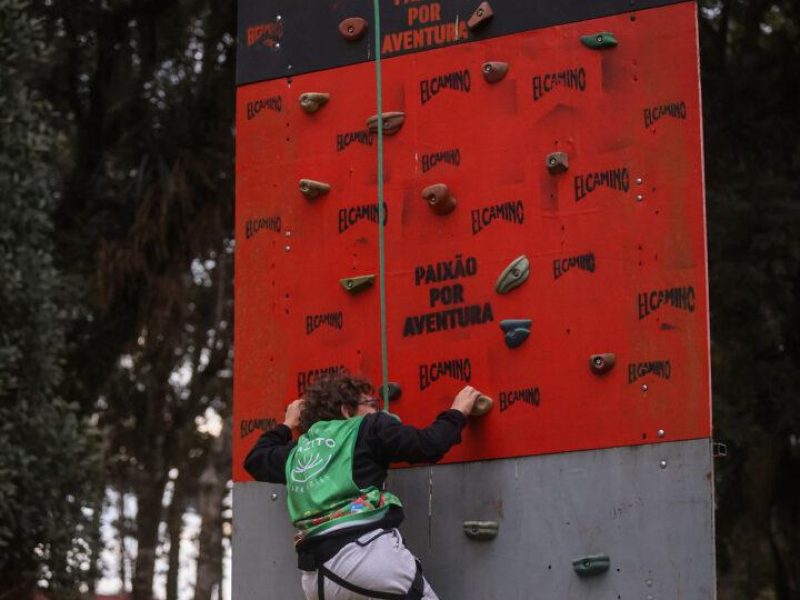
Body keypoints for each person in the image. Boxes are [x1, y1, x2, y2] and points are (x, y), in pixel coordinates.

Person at [244, 373, 482, 600]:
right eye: (370, 403)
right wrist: (458, 411)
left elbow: (255, 459)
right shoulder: (369, 427)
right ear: (347, 411)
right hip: (367, 559)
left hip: (317, 579)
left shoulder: (298, 452)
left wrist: (287, 424)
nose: (378, 410)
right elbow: (429, 445)